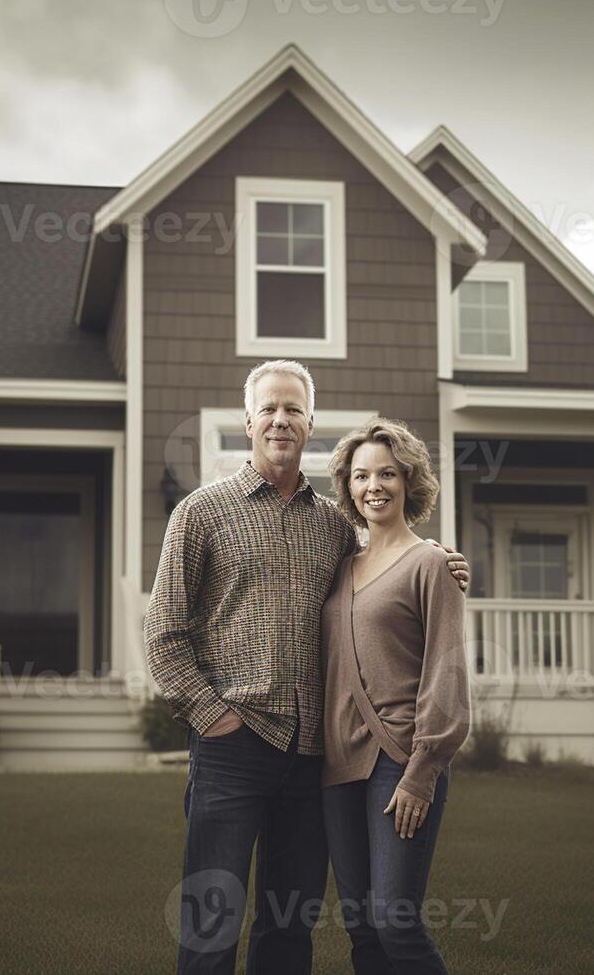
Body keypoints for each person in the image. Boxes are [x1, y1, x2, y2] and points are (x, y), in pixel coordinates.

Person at [144, 359, 470, 975]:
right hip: (231, 746)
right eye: (269, 407)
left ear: (310, 423)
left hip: (313, 757)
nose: (281, 419)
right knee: (211, 922)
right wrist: (214, 720)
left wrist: (444, 564)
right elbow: (163, 635)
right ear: (248, 420)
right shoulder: (200, 514)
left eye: (293, 409)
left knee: (288, 925)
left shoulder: (335, 528)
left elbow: (388, 571)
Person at [320, 416, 473, 974]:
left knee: (394, 919)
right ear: (348, 486)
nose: (373, 486)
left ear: (409, 481)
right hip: (338, 764)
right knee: (360, 926)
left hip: (401, 760)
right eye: (361, 476)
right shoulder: (340, 568)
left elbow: (446, 670)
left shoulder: (432, 564)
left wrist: (423, 768)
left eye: (386, 474)